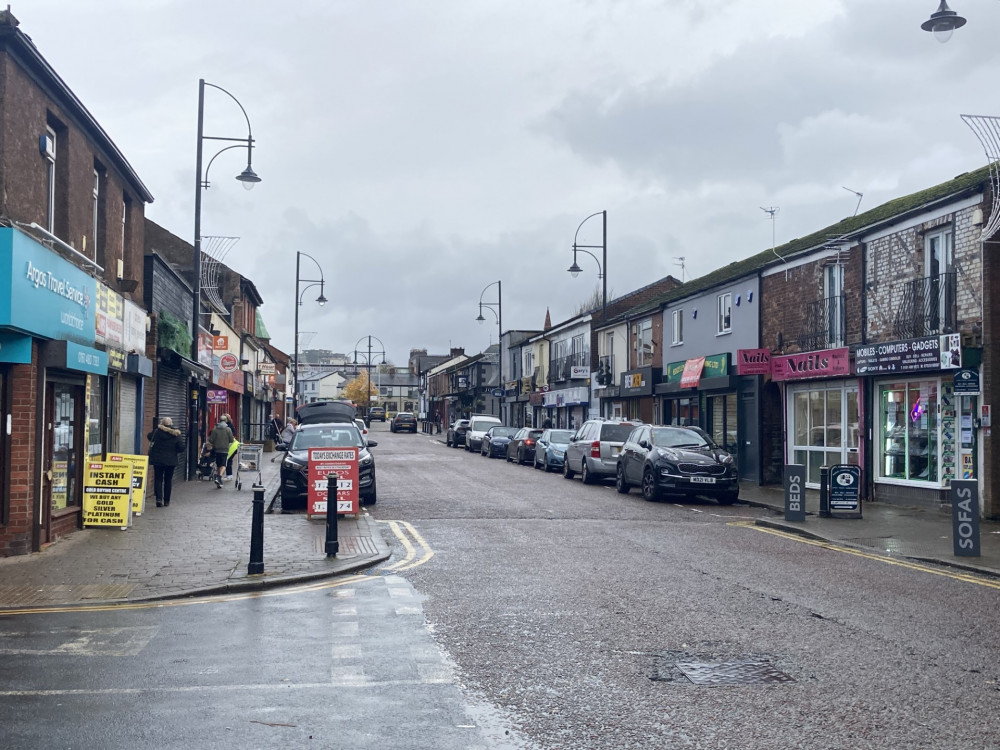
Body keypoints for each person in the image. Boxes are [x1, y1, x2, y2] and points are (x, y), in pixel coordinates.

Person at [147, 416, 184, 507]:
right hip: (171, 461)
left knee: (158, 479)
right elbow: (181, 448)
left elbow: (149, 436)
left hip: (158, 460)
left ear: (162, 424)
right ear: (171, 424)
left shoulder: (156, 432)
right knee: (168, 480)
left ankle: (158, 499)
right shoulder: (176, 434)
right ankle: (166, 501)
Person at [208, 414, 234, 489]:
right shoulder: (228, 429)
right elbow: (231, 440)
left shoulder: (215, 429)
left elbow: (211, 440)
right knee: (223, 465)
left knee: (219, 465)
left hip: (217, 449)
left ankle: (219, 482)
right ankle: (219, 477)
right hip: (225, 449)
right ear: (226, 421)